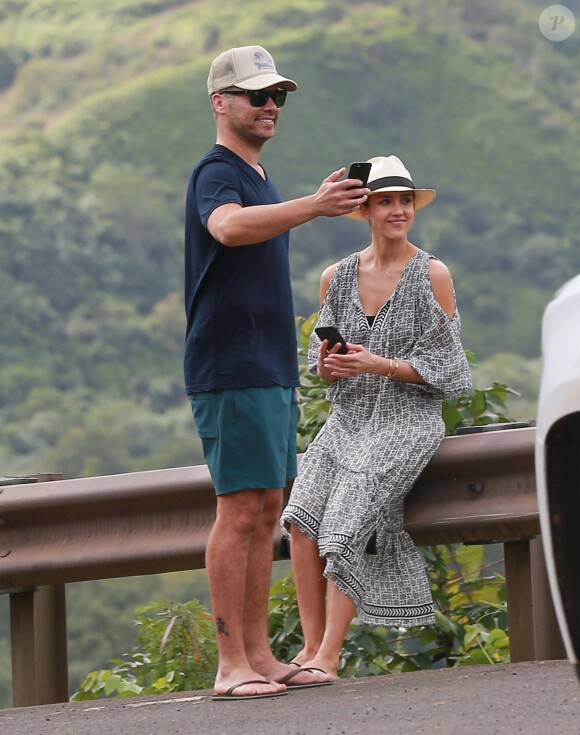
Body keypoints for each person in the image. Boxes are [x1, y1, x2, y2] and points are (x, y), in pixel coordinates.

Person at [183, 45, 370, 700]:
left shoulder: (259, 178)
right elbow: (228, 230)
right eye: (256, 94)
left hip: (267, 363)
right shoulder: (217, 172)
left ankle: (260, 655)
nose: (269, 105)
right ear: (221, 102)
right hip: (229, 362)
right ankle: (230, 662)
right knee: (238, 510)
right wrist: (313, 206)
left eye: (278, 96)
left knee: (267, 510)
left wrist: (308, 203)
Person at [280, 155, 473, 679]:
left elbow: (453, 372)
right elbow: (326, 370)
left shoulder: (432, 274)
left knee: (346, 522)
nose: (397, 210)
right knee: (299, 519)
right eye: (386, 201)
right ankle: (308, 647)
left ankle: (329, 656)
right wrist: (331, 365)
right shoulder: (335, 278)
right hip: (347, 422)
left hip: (406, 423)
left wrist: (382, 364)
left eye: (404, 200)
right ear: (365, 209)